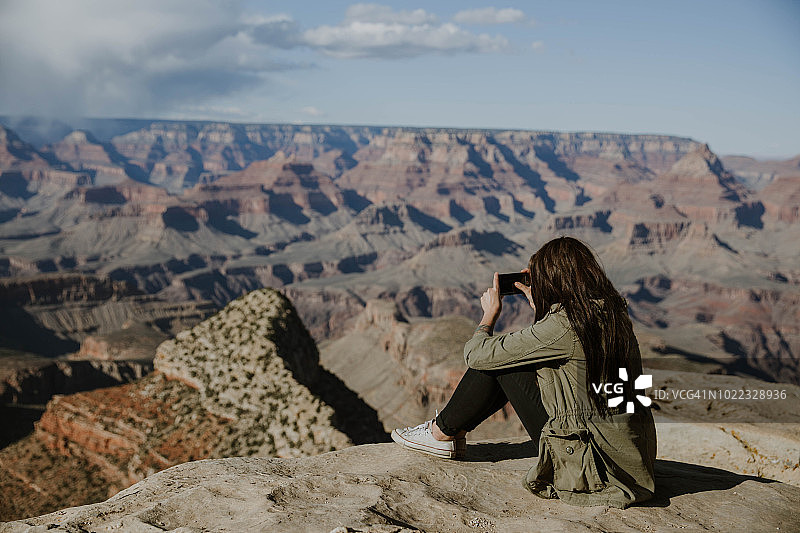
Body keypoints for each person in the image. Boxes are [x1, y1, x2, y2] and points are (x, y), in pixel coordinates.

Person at [391, 236, 657, 508]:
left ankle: (441, 434)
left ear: (553, 281)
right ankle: (448, 433)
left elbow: (476, 355)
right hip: (629, 458)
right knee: (520, 359)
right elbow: (563, 354)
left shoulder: (565, 326)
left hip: (596, 470)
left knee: (502, 362)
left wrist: (488, 316)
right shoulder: (613, 313)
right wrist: (543, 310)